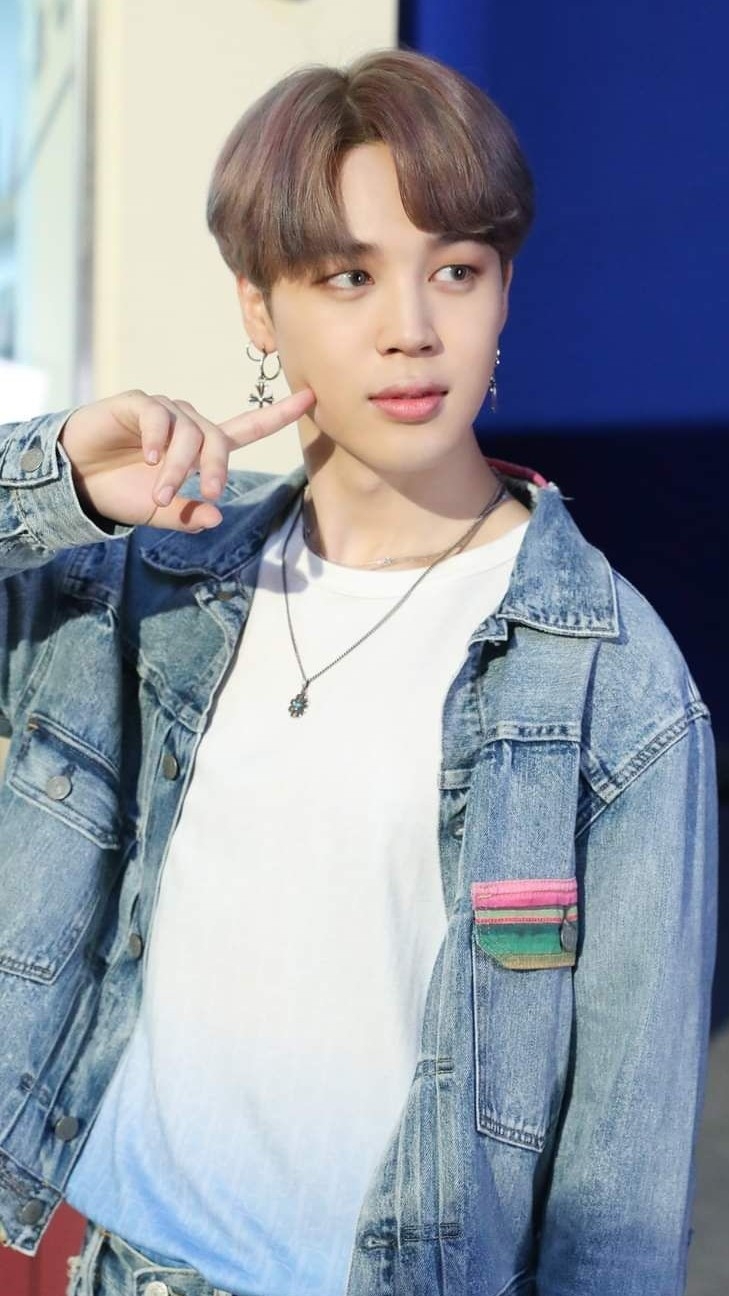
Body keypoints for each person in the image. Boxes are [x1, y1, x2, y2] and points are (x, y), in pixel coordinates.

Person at [0, 46, 718, 1296]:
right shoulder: (140, 590)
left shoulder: (616, 685)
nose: (412, 330)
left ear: (504, 292)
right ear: (258, 307)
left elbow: (618, 1205)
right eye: (349, 276)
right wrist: (63, 477)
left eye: (457, 270)